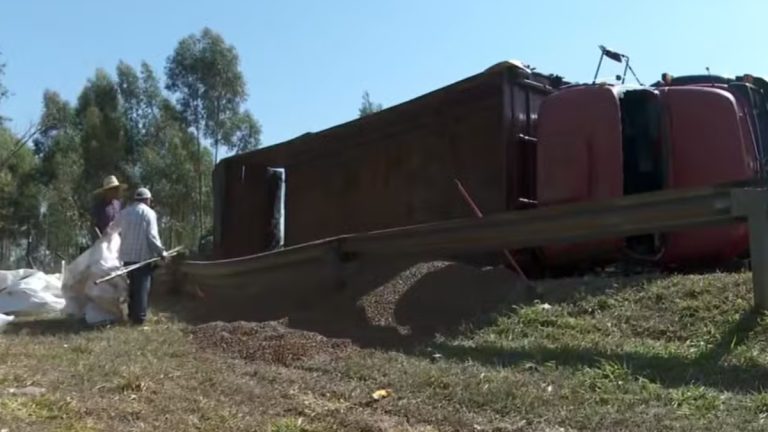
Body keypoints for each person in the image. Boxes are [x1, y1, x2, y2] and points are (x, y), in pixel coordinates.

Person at [109, 187, 167, 325]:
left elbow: (112, 229)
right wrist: (161, 252)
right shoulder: (149, 213)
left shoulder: (124, 213)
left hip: (127, 257)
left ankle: (131, 315)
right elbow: (152, 237)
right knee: (142, 287)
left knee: (132, 287)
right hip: (142, 257)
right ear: (147, 199)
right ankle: (139, 318)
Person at [91, 175, 126, 242]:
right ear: (107, 191)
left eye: (116, 189)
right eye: (113, 189)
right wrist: (100, 239)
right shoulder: (99, 206)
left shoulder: (119, 204)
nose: (116, 191)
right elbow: (94, 226)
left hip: (116, 241)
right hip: (102, 241)